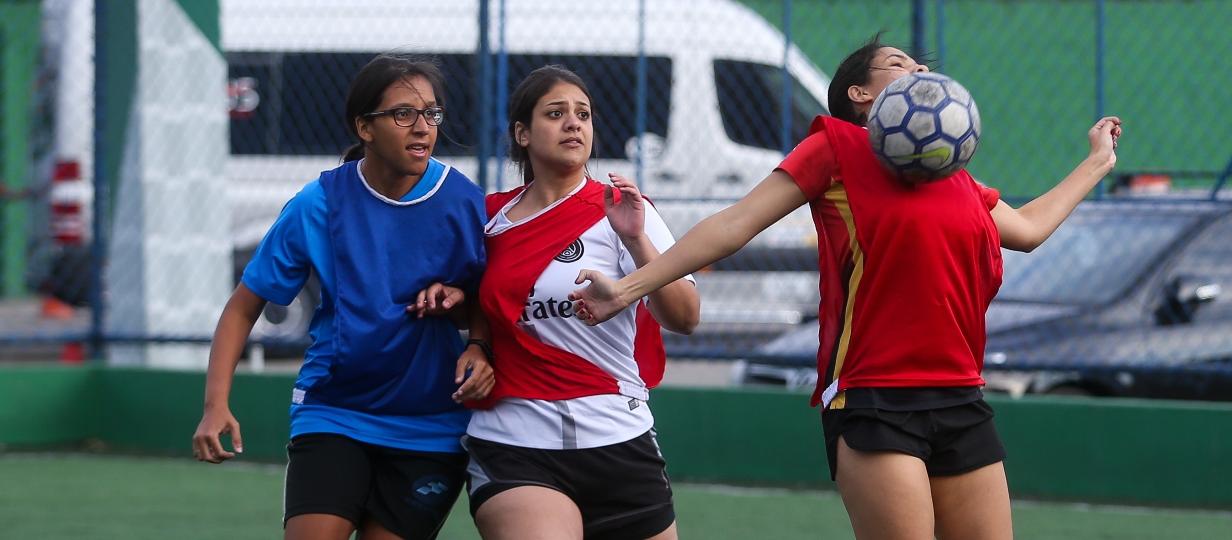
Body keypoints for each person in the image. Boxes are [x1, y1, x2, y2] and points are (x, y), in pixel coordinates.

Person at [569, 37, 1122, 540]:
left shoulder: (953, 176)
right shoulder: (836, 149)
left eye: (923, 66)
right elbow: (734, 225)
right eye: (899, 64)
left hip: (962, 394)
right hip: (875, 398)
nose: (920, 71)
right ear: (861, 94)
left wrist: (1096, 162)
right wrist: (626, 290)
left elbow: (1026, 230)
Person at [191, 54, 495, 540]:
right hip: (335, 412)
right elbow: (243, 306)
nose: (422, 128)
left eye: (431, 114)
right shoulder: (320, 203)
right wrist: (216, 404)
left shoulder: (465, 202)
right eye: (402, 114)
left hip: (431, 423)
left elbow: (490, 296)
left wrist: (475, 336)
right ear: (365, 127)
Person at [417, 65, 700, 540]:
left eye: (583, 114)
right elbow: (481, 303)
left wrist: (637, 243)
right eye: (556, 113)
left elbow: (685, 318)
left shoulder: (625, 210)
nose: (574, 123)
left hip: (617, 435)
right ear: (522, 133)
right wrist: (472, 333)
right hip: (515, 441)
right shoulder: (488, 219)